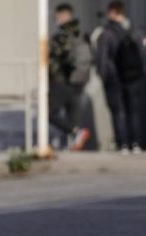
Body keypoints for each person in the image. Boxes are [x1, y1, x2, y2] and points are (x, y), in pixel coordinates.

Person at [96, 1, 146, 154]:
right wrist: (140, 72)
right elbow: (142, 53)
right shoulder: (135, 30)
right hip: (133, 77)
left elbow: (102, 57)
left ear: (112, 12)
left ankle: (122, 144)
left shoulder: (106, 33)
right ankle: (136, 143)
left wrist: (103, 76)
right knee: (134, 111)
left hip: (114, 77)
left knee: (117, 112)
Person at [49, 4, 91, 151]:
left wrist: (49, 77)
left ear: (63, 15)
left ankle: (76, 134)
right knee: (73, 116)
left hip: (62, 80)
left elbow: (54, 59)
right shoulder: (82, 33)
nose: (56, 19)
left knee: (49, 113)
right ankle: (74, 143)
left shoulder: (62, 36)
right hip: (80, 80)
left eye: (57, 16)